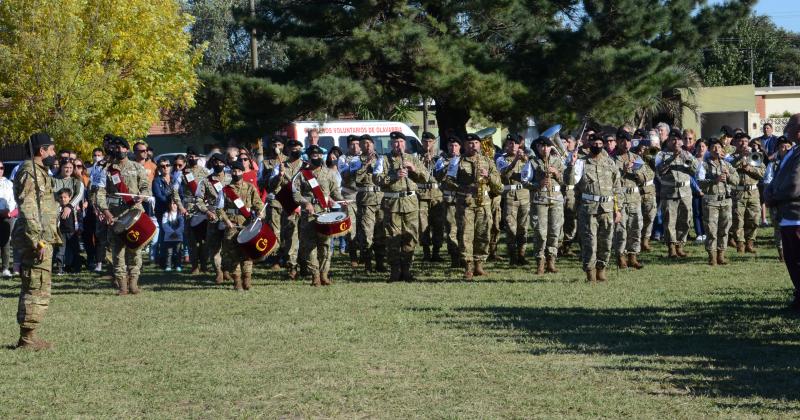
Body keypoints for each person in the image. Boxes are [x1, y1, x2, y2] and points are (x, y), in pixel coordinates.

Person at [12, 132, 60, 350]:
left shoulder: (39, 171)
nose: (54, 154)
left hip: (41, 236)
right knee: (35, 286)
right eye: (51, 150)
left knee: (36, 285)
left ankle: (29, 336)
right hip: (36, 240)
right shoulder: (30, 172)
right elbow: (28, 207)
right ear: (42, 151)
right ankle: (28, 339)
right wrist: (37, 240)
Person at [96, 137, 150, 295]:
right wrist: (105, 211)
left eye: (122, 148)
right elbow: (100, 192)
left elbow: (146, 187)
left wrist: (143, 195)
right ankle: (122, 286)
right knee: (117, 252)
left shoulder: (137, 167)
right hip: (115, 216)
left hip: (134, 215)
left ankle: (133, 282)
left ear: (127, 150)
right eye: (116, 148)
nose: (119, 150)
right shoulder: (107, 170)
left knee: (135, 250)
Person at [444, 133, 502, 280]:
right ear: (464, 145)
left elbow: (499, 187)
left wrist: (488, 177)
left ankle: (479, 265)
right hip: (465, 203)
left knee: (483, 234)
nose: (473, 146)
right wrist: (464, 187)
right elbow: (447, 181)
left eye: (476, 143)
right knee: (465, 235)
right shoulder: (457, 161)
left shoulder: (488, 161)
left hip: (484, 203)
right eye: (470, 143)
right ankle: (468, 266)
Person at [374, 132, 428, 282]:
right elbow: (376, 178)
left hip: (410, 203)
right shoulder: (383, 159)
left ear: (405, 144)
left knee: (410, 237)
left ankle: (407, 270)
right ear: (391, 144)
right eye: (396, 142)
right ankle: (395, 271)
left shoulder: (413, 159)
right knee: (392, 238)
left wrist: (414, 169)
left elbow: (427, 177)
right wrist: (393, 176)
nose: (399, 145)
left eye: (401, 142)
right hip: (392, 204)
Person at [293, 145, 346, 286]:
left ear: (321, 156)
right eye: (313, 155)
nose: (315, 157)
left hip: (325, 213)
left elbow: (335, 191)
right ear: (309, 157)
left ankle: (324, 274)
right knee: (309, 246)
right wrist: (305, 203)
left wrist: (341, 200)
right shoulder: (302, 174)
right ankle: (314, 275)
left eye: (318, 155)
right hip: (308, 214)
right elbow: (294, 192)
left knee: (325, 245)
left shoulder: (329, 173)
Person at [572, 133, 622, 282]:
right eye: (595, 144)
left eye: (601, 144)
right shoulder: (581, 163)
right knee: (589, 242)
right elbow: (568, 181)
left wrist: (617, 209)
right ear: (590, 144)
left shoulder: (610, 162)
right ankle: (590, 272)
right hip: (588, 209)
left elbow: (617, 187)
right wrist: (571, 165)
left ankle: (602, 269)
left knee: (606, 242)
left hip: (607, 208)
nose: (598, 146)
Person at [764, 113, 800, 311]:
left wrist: (773, 196)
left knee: (797, 260)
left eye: (789, 126)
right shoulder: (793, 151)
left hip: (796, 216)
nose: (785, 129)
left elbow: (795, 185)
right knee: (792, 260)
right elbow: (779, 176)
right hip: (788, 217)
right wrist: (770, 189)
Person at [218, 160, 264, 290]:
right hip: (232, 224)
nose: (236, 173)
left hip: (247, 224)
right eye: (233, 171)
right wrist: (226, 220)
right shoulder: (225, 190)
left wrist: (260, 213)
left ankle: (247, 279)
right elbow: (219, 208)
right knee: (233, 254)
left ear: (242, 172)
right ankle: (237, 281)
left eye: (238, 171)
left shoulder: (250, 188)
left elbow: (258, 203)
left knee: (247, 253)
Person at [522, 135, 565, 274]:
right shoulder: (532, 162)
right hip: (540, 200)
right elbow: (524, 181)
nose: (545, 149)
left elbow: (568, 180)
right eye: (541, 146)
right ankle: (540, 262)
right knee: (540, 232)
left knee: (555, 231)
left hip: (556, 200)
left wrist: (557, 173)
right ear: (537, 148)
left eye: (547, 146)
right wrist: (537, 184)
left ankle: (551, 261)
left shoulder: (558, 161)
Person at [656, 129, 698, 258]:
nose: (676, 142)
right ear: (668, 141)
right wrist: (672, 158)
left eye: (678, 139)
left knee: (685, 220)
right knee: (669, 221)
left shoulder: (686, 154)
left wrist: (685, 157)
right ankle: (671, 247)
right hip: (669, 193)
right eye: (672, 139)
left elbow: (695, 170)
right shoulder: (661, 155)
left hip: (685, 193)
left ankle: (680, 245)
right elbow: (659, 171)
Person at [697, 139, 738, 266]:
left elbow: (736, 180)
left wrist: (729, 177)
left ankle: (721, 255)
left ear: (722, 149)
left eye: (718, 147)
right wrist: (714, 180)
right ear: (709, 150)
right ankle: (712, 256)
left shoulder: (727, 164)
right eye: (713, 147)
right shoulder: (704, 165)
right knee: (711, 230)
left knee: (724, 229)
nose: (716, 150)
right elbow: (699, 181)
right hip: (711, 202)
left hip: (726, 201)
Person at [270, 139, 305, 280]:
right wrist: (279, 176)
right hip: (289, 204)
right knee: (291, 237)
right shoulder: (280, 166)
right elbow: (272, 186)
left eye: (299, 149)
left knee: (306, 237)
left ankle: (306, 265)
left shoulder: (306, 166)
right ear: (288, 150)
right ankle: (292, 267)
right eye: (294, 149)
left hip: (305, 206)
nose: (296, 151)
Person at [353, 134, 386, 273]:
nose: (367, 146)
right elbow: (356, 178)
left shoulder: (382, 158)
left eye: (369, 143)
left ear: (373, 144)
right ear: (360, 146)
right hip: (366, 201)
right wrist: (366, 164)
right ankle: (367, 263)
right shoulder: (356, 160)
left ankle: (380, 263)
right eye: (363, 143)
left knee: (381, 233)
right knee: (367, 234)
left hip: (381, 199)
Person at [612, 132, 645, 269]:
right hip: (620, 198)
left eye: (628, 141)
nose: (625, 144)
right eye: (622, 141)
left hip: (635, 199)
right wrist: (623, 171)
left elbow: (644, 179)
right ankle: (621, 256)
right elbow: (610, 181)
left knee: (636, 227)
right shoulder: (612, 160)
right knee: (621, 229)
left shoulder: (637, 158)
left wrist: (636, 171)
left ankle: (633, 256)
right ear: (617, 142)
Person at [729, 132, 765, 254]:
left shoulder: (755, 156)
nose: (743, 144)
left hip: (753, 192)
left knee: (754, 220)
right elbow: (729, 168)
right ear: (735, 143)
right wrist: (740, 158)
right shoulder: (731, 157)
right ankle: (740, 244)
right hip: (738, 193)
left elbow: (761, 173)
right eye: (740, 141)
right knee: (738, 220)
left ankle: (750, 242)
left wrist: (748, 168)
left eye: (745, 141)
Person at [496, 133, 529, 265]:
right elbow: (505, 174)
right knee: (510, 228)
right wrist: (515, 160)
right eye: (510, 143)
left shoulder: (526, 158)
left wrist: (524, 159)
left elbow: (530, 175)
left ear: (519, 145)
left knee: (523, 227)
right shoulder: (501, 159)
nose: (513, 146)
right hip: (510, 196)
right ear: (506, 145)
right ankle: (512, 256)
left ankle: (522, 255)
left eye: (515, 143)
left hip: (524, 195)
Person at [176, 148, 209, 274]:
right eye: (190, 156)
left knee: (205, 239)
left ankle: (205, 264)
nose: (192, 158)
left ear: (198, 157)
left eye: (194, 156)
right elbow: (175, 191)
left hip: (204, 209)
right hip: (189, 209)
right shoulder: (182, 173)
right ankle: (195, 265)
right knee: (192, 239)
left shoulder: (206, 172)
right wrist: (180, 206)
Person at [199, 153, 230, 283]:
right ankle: (218, 272)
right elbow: (198, 200)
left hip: (229, 217)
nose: (218, 165)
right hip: (213, 217)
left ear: (225, 164)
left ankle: (227, 270)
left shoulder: (230, 178)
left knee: (229, 246)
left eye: (221, 162)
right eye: (215, 162)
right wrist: (206, 211)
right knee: (214, 246)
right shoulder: (206, 181)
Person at [764, 136, 793, 262]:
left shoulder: (796, 163)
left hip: (794, 202)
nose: (785, 148)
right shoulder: (773, 164)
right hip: (778, 201)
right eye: (782, 146)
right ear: (778, 150)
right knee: (778, 227)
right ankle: (782, 252)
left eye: (788, 146)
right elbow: (767, 181)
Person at [435, 136, 462, 268]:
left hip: (464, 200)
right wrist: (447, 167)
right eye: (451, 146)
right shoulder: (442, 160)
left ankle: (465, 256)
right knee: (452, 229)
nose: (453, 148)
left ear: (460, 147)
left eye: (455, 145)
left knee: (464, 229)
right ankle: (454, 258)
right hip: (450, 200)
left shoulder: (464, 160)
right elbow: (436, 176)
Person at [416, 132, 444, 262]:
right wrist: (423, 163)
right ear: (422, 142)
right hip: (422, 196)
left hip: (437, 195)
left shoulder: (440, 158)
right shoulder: (416, 157)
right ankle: (426, 252)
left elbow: (441, 175)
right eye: (425, 142)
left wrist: (432, 161)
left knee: (438, 225)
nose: (427, 144)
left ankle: (436, 252)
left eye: (430, 142)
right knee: (423, 225)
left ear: (434, 143)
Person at [260, 137, 286, 270]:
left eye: (279, 144)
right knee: (275, 230)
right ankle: (275, 258)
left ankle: (288, 257)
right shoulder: (265, 163)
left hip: (287, 200)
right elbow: (261, 183)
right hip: (273, 200)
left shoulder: (288, 161)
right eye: (274, 144)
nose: (276, 146)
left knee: (288, 230)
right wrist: (273, 175)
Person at [338, 135, 362, 267]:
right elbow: (345, 174)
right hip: (349, 197)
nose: (356, 146)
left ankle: (365, 256)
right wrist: (357, 166)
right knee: (350, 228)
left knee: (364, 228)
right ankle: (353, 256)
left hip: (364, 197)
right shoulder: (343, 158)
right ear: (348, 146)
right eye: (352, 144)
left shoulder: (366, 156)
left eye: (358, 143)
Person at [152, 158, 174, 267]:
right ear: (159, 168)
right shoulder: (157, 181)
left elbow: (181, 193)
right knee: (164, 235)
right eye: (162, 166)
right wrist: (169, 204)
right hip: (162, 211)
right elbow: (158, 196)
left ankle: (175, 260)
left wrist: (176, 205)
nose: (165, 167)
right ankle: (162, 260)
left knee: (176, 234)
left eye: (167, 165)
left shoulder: (175, 179)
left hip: (175, 211)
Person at [54, 188, 80, 275]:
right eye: (61, 197)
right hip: (61, 232)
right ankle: (60, 269)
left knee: (75, 250)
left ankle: (76, 268)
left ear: (70, 198)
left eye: (65, 197)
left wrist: (79, 228)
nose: (63, 199)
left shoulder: (74, 207)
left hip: (73, 232)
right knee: (60, 251)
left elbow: (78, 218)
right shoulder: (58, 208)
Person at [0, 161, 16, 277]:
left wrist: (8, 212)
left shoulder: (9, 183)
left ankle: (5, 268)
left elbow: (13, 199)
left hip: (7, 216)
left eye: (1, 168)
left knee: (5, 242)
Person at [691, 140, 708, 244]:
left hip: (707, 190)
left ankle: (706, 232)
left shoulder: (709, 160)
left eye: (703, 146)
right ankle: (699, 233)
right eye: (699, 146)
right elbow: (690, 176)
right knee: (697, 212)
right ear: (695, 148)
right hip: (696, 189)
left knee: (706, 213)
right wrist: (697, 189)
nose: (701, 148)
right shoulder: (692, 160)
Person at [161, 200, 184, 272]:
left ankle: (178, 265)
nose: (172, 205)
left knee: (178, 252)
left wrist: (176, 233)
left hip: (178, 237)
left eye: (174, 203)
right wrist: (172, 233)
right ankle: (168, 266)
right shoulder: (166, 214)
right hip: (168, 238)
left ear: (178, 205)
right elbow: (164, 225)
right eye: (170, 203)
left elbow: (182, 225)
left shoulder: (180, 214)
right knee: (169, 253)